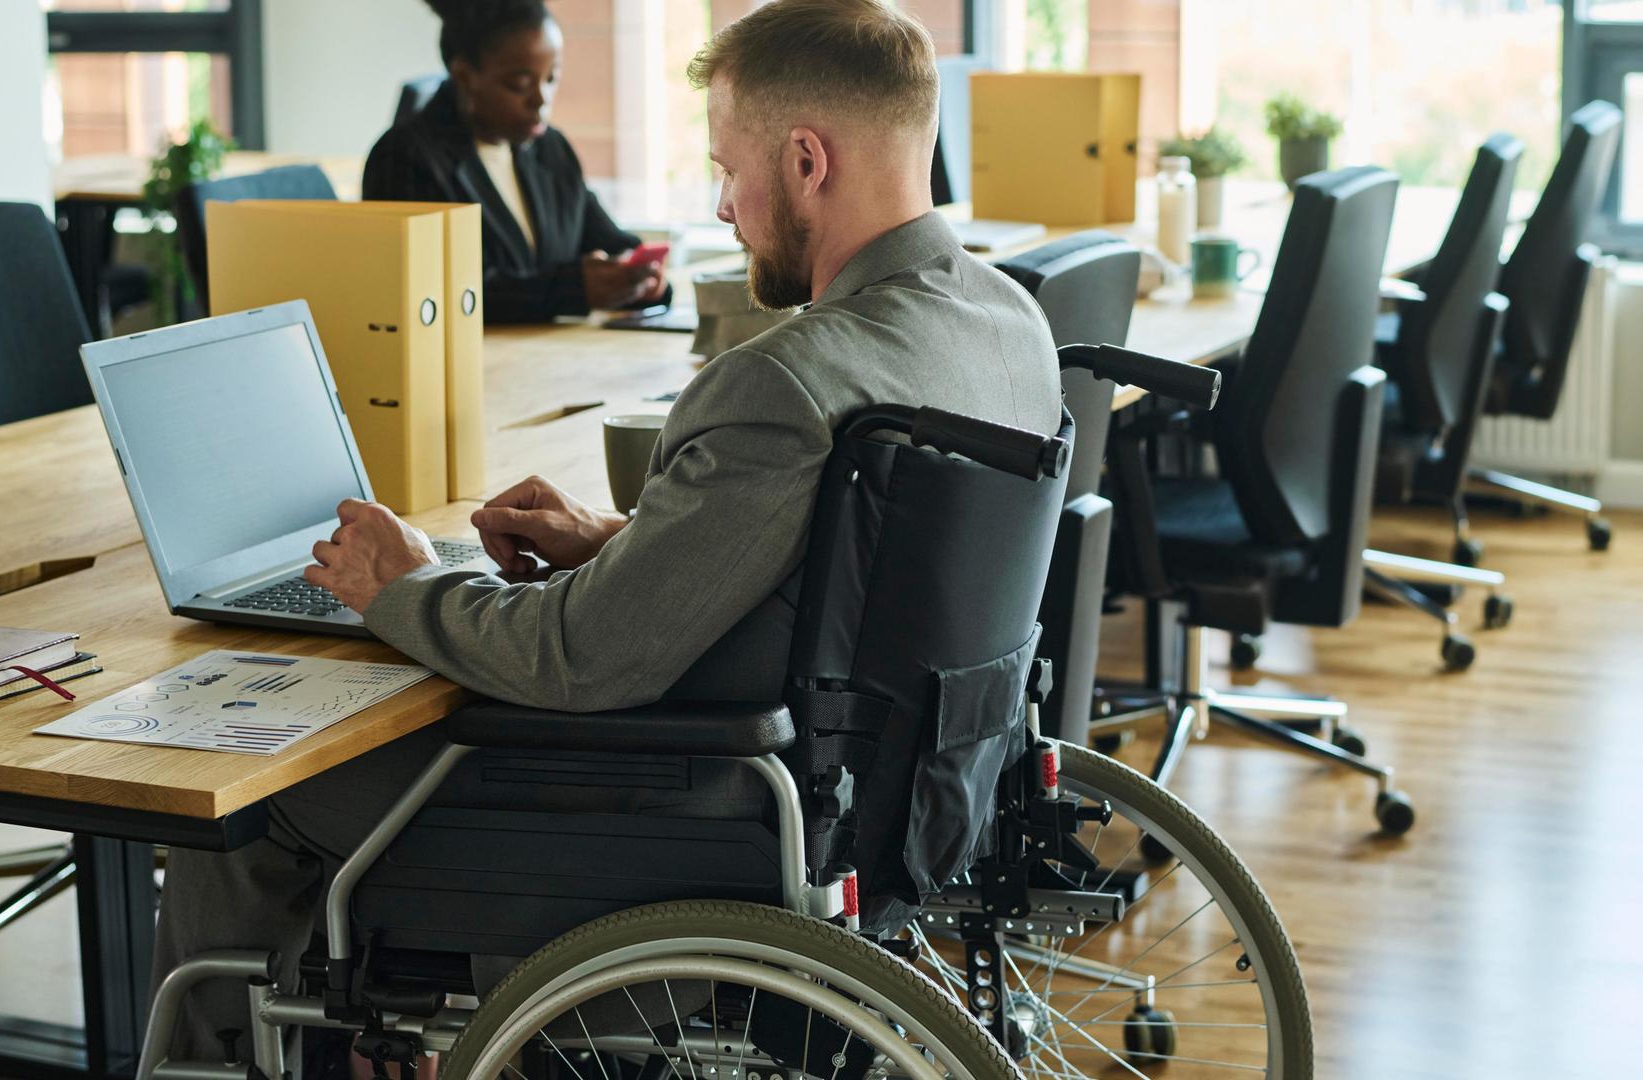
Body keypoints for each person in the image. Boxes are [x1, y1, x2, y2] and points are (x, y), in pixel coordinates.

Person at [150, 0, 1064, 1061]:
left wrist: (399, 584)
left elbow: (578, 656)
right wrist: (624, 539)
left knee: (257, 799)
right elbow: (845, 566)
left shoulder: (783, 381)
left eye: (731, 168)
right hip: (898, 791)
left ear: (808, 160)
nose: (723, 205)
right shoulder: (1011, 324)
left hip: (682, 804)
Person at [363, 0, 669, 322]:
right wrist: (571, 290)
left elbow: (607, 239)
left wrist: (640, 277)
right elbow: (434, 295)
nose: (541, 100)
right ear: (465, 77)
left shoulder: (550, 147)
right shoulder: (405, 157)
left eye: (551, 78)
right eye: (520, 84)